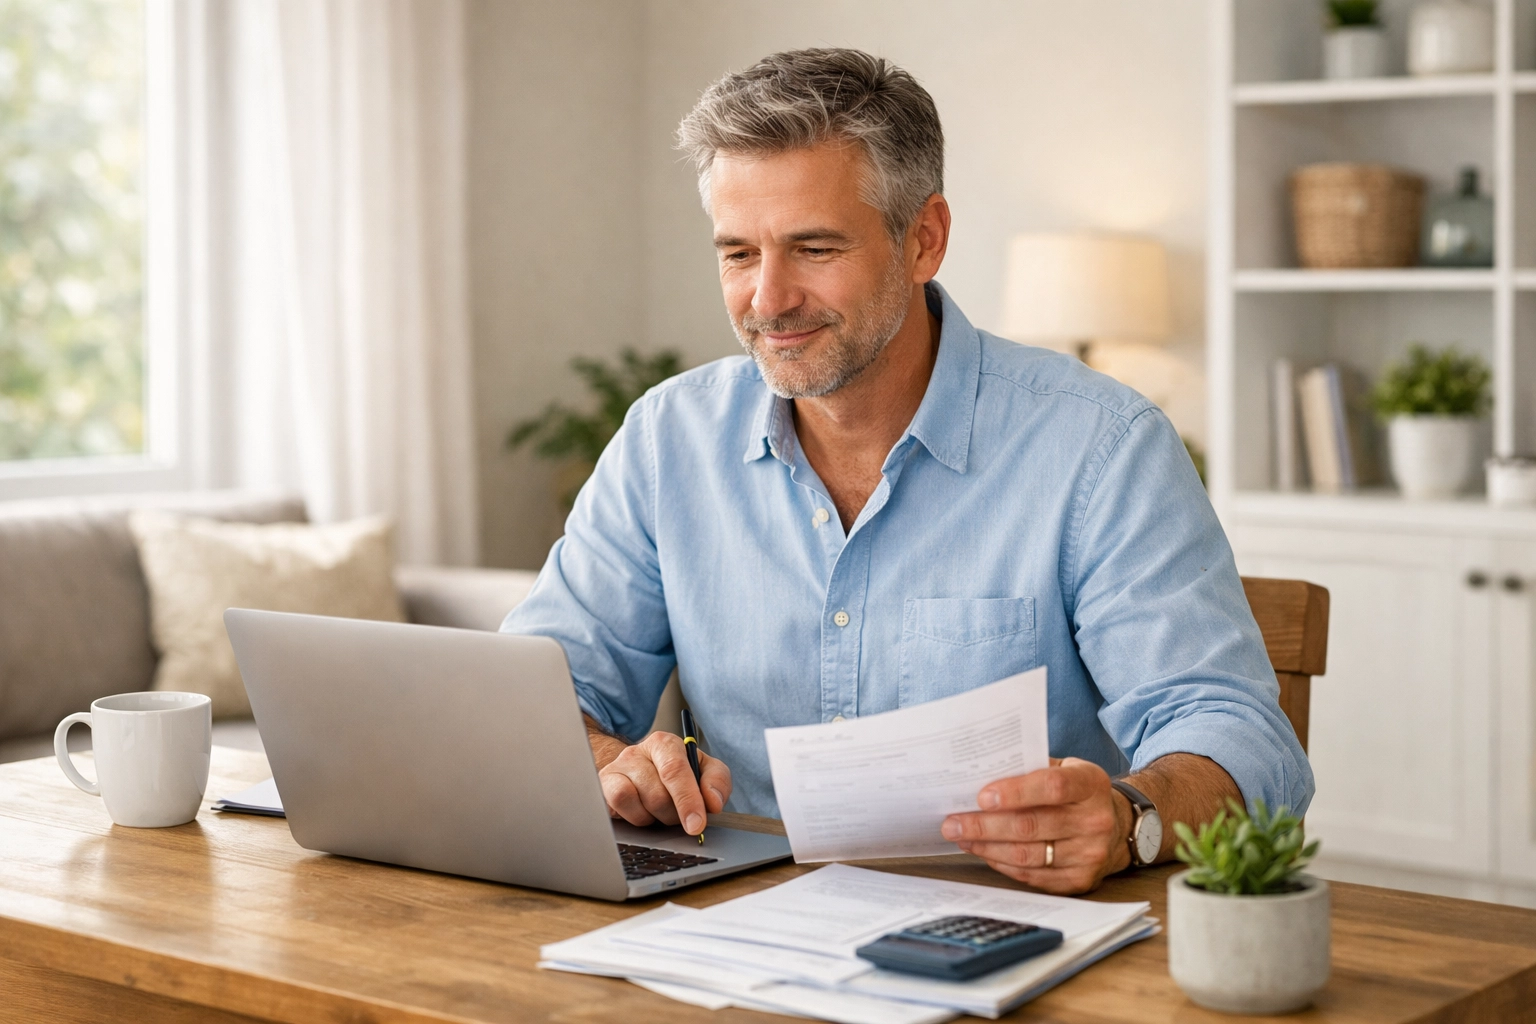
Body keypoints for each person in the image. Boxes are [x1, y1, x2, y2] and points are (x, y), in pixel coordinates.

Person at [503, 47, 1313, 895]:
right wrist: (605, 760)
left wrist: (1128, 818)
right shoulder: (667, 441)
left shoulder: (1103, 449)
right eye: (738, 253)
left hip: (1010, 928)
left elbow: (1245, 741)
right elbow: (536, 695)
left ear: (924, 240)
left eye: (814, 248)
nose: (768, 300)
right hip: (734, 929)